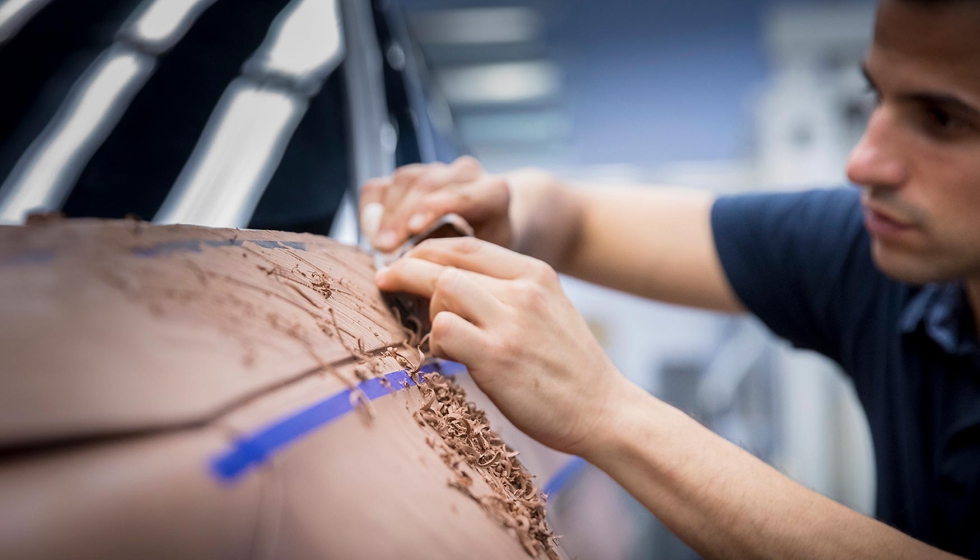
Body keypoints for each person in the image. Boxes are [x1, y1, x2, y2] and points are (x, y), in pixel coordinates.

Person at [359, 0, 980, 557]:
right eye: (878, 96)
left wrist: (605, 410)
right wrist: (506, 210)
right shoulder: (871, 252)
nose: (863, 161)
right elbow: (573, 221)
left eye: (943, 120)